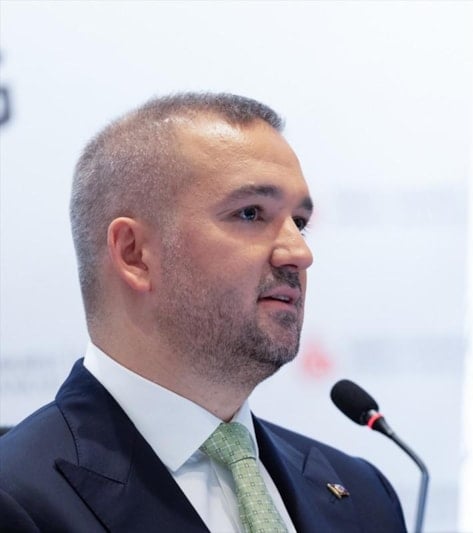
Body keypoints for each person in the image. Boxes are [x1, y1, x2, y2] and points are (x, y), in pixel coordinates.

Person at [0, 93, 407, 532]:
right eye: (251, 214)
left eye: (300, 223)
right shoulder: (17, 497)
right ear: (135, 254)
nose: (300, 252)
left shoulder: (364, 497)